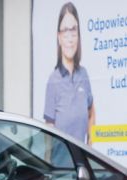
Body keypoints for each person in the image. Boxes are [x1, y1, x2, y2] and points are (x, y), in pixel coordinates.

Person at [44, 1, 95, 164]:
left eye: (73, 31)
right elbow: (48, 130)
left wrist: (90, 146)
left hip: (83, 165)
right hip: (60, 167)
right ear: (59, 37)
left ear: (79, 35)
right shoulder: (53, 79)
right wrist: (46, 165)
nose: (70, 38)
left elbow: (91, 113)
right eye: (65, 31)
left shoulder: (84, 74)